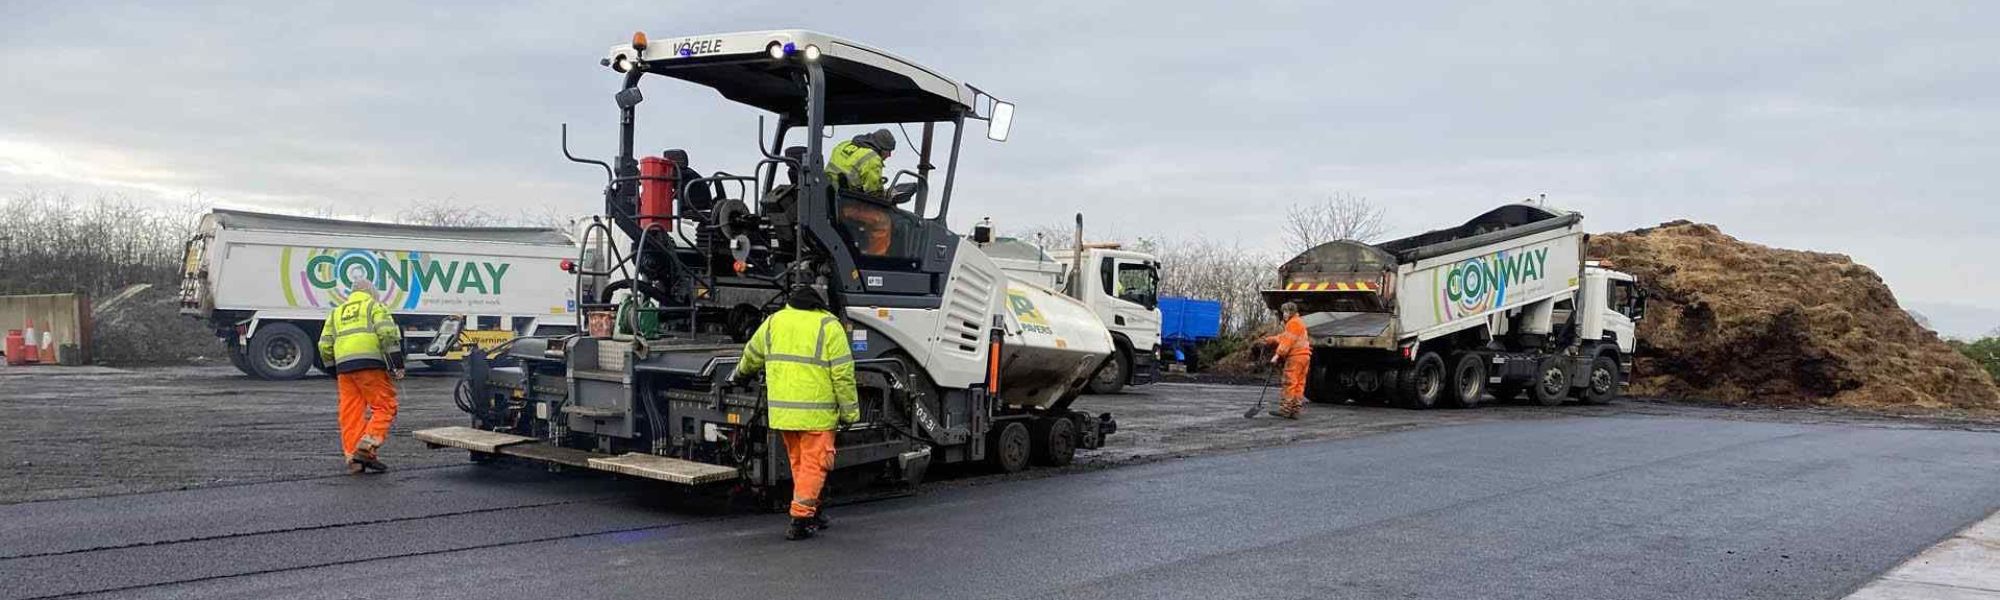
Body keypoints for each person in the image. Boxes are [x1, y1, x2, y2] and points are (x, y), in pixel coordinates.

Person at [729, 285, 859, 540]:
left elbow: (752, 354)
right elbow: (843, 375)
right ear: (818, 305)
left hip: (784, 414)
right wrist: (850, 413)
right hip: (817, 414)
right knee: (814, 465)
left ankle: (813, 510)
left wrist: (739, 375)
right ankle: (800, 520)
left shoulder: (773, 322)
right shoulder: (828, 325)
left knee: (800, 464)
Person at [316, 267, 405, 474]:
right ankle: (367, 444)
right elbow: (387, 334)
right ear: (371, 292)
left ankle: (354, 458)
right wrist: (397, 364)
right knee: (385, 406)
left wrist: (333, 370)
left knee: (350, 412)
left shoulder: (336, 313)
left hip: (344, 369)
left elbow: (324, 345)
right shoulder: (374, 306)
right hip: (369, 364)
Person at [830, 129, 899, 256]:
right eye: (888, 151)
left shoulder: (844, 145)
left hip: (829, 198)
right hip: (845, 205)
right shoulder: (872, 159)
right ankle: (876, 261)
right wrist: (887, 196)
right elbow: (874, 194)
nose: (889, 155)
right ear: (881, 148)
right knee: (882, 221)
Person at [1261, 302, 1312, 419]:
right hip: (1304, 357)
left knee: (1289, 382)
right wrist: (1270, 340)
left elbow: (1287, 342)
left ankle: (1285, 410)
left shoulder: (1292, 323)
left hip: (1295, 357)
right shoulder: (1298, 322)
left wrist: (1277, 355)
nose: (1284, 314)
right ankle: (1295, 410)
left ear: (1292, 312)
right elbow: (1284, 337)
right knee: (1299, 384)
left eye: (1286, 311)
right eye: (1283, 311)